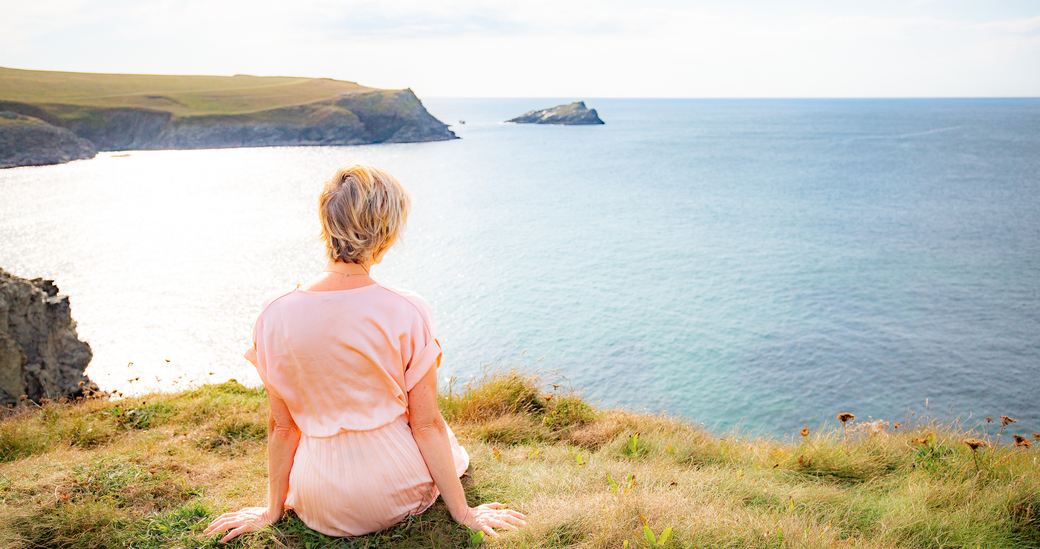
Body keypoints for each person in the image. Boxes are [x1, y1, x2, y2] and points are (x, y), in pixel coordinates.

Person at [204, 164, 526, 543]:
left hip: (319, 501)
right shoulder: (408, 308)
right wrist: (464, 512)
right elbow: (426, 424)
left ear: (326, 224)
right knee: (439, 435)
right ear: (386, 232)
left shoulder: (273, 312)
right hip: (396, 485)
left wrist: (272, 511)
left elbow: (283, 427)